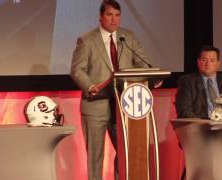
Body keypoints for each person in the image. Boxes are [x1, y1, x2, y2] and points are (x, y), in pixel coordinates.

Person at [70, 0, 150, 180]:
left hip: (124, 105)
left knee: (125, 153)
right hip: (95, 105)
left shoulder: (128, 37)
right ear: (100, 17)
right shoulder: (87, 40)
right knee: (96, 157)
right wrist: (90, 86)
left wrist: (151, 76)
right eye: (109, 15)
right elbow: (77, 70)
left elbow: (142, 63)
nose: (114, 20)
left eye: (117, 15)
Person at [176, 45, 222, 119]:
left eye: (212, 60)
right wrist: (204, 124)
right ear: (198, 62)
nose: (208, 64)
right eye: (204, 60)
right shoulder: (187, 81)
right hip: (201, 126)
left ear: (218, 64)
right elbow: (184, 111)